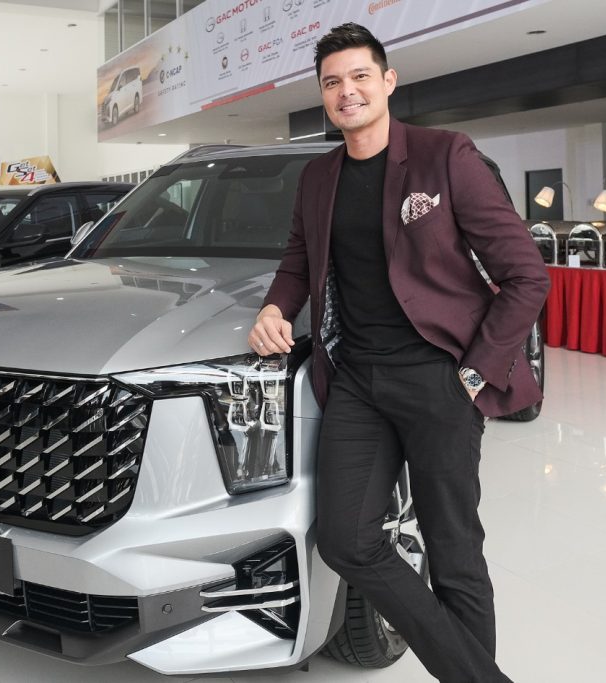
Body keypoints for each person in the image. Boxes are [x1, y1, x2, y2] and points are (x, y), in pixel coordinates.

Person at [248, 23, 549, 683]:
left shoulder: (446, 156)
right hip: (355, 381)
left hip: (439, 377)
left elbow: (527, 276)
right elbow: (298, 262)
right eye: (332, 82)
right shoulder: (317, 177)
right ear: (322, 94)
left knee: (453, 550)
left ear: (387, 81)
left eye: (360, 76)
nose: (347, 91)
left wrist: (474, 373)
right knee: (346, 540)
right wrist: (274, 308)